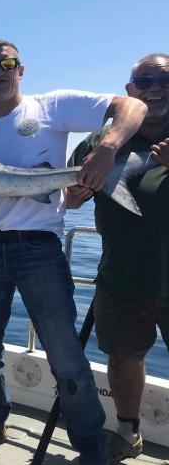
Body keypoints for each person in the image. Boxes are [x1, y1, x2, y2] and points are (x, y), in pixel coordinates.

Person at [0, 39, 147, 464]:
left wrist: (105, 149)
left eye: (7, 63)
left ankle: (92, 448)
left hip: (39, 251)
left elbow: (130, 107)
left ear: (20, 70)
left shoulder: (52, 106)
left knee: (65, 357)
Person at [66, 53, 169, 462]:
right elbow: (69, 198)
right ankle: (128, 430)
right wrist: (72, 196)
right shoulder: (98, 142)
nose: (156, 89)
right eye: (145, 81)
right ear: (130, 91)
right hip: (123, 275)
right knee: (124, 357)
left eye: (165, 81)